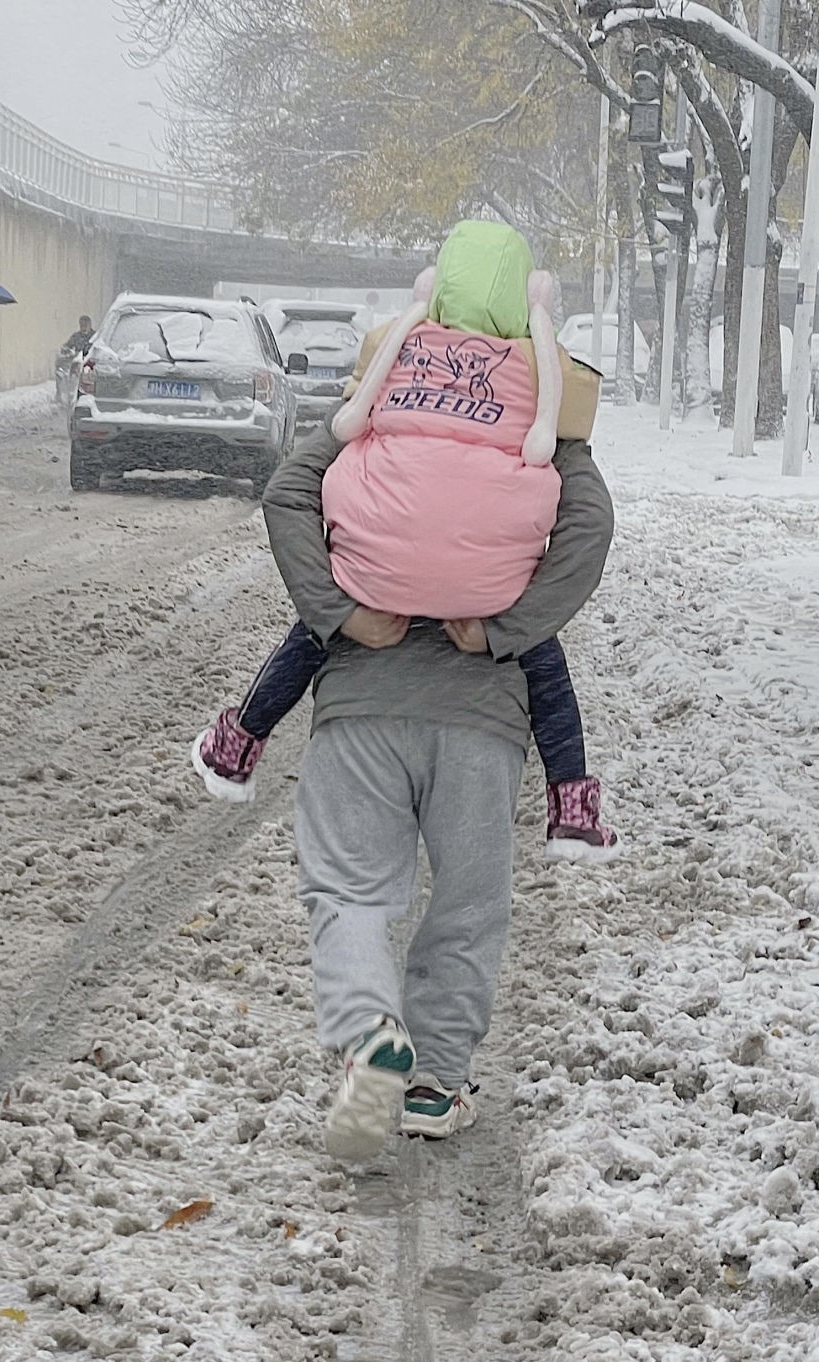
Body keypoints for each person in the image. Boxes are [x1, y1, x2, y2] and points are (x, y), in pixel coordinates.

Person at [260, 377, 614, 1163]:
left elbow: (289, 493)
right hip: (481, 726)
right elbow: (588, 529)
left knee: (348, 889)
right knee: (466, 903)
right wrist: (504, 628)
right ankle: (435, 1086)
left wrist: (340, 611)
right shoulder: (535, 415)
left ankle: (368, 1031)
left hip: (362, 707)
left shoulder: (387, 396)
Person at [193, 224, 617, 859]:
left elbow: (298, 480)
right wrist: (507, 628)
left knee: (310, 633)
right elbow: (589, 514)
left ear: (438, 289)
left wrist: (340, 611)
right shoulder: (542, 367)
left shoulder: (398, 349)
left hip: (377, 573)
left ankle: (237, 745)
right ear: (528, 297)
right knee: (545, 664)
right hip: (488, 590)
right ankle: (571, 804)